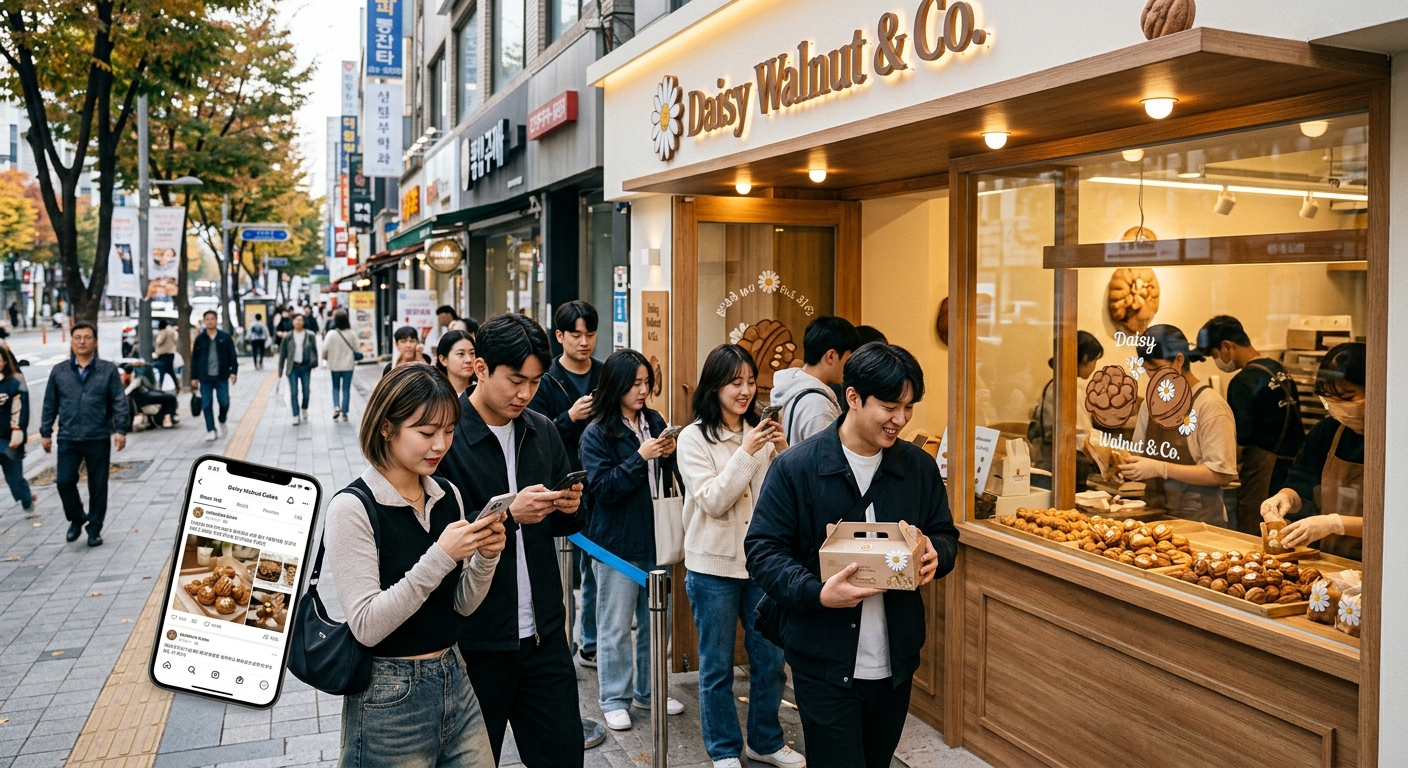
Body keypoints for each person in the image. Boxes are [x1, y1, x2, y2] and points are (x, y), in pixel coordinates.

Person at [745, 342, 958, 768]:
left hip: (895, 659)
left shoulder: (918, 468)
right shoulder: (797, 468)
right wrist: (817, 592)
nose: (900, 419)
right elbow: (763, 550)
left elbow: (943, 532)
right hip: (823, 658)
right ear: (854, 398)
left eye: (909, 407)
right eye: (889, 406)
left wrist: (939, 553)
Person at [326, 364, 506, 767]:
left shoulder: (448, 495)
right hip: (388, 695)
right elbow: (367, 624)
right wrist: (441, 556)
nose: (440, 445)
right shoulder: (352, 508)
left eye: (448, 431)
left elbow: (461, 605)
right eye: (426, 433)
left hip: (455, 677)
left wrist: (485, 557)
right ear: (387, 428)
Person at [434, 312, 586, 768]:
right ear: (479, 368)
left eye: (535, 382)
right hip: (476, 643)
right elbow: (439, 534)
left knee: (563, 756)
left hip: (544, 634)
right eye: (515, 380)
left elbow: (565, 527)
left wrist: (572, 506)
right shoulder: (446, 435)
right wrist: (511, 516)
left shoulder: (542, 430)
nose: (525, 393)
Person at [677, 345, 802, 768]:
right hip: (712, 567)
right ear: (714, 386)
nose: (746, 390)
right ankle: (724, 749)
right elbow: (713, 500)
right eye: (735, 382)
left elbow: (788, 497)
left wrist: (784, 452)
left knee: (770, 659)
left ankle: (764, 741)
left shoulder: (763, 432)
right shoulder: (693, 438)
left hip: (762, 567)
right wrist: (748, 451)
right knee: (716, 668)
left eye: (751, 380)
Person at [579, 349, 684, 731]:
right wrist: (640, 457)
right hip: (616, 542)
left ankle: (650, 690)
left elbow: (670, 478)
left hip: (658, 535)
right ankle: (614, 698)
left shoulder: (654, 420)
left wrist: (669, 455)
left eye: (646, 383)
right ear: (616, 386)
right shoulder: (598, 431)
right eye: (635, 384)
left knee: (657, 622)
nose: (643, 391)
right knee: (616, 624)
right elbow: (602, 489)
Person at [527, 300, 604, 668]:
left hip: (604, 479)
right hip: (566, 484)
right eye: (576, 334)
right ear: (560, 336)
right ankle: (584, 640)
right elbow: (537, 436)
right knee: (579, 567)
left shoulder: (605, 374)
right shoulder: (545, 379)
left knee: (598, 566)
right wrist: (569, 417)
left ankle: (590, 640)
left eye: (590, 334)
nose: (584, 342)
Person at [1118, 324, 1238, 526]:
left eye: (1157, 369)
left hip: (1200, 523)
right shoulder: (1152, 402)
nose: (1152, 378)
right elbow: (1139, 455)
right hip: (1153, 517)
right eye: (1147, 371)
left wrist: (1162, 468)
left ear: (1179, 360)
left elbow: (1221, 473)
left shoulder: (1209, 404)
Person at [1198, 315, 1305, 535]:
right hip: (1292, 468)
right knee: (1286, 530)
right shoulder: (1278, 368)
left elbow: (1239, 438)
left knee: (1257, 530)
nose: (1217, 362)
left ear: (1227, 346)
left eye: (1215, 355)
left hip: (1263, 471)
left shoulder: (1243, 382)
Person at [1261, 342, 1365, 559]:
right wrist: (1285, 497)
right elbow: (1303, 480)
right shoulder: (1327, 431)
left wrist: (1334, 523)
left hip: (1386, 566)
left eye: (1347, 398)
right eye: (1330, 398)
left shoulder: (1396, 440)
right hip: (1332, 558)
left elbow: (1400, 522)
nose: (1338, 406)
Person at [40, 322, 129, 547]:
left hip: (98, 436)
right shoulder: (59, 371)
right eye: (77, 337)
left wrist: (120, 429)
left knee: (98, 486)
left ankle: (94, 529)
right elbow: (50, 403)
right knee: (64, 481)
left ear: (95, 342)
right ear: (71, 341)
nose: (82, 341)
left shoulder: (108, 370)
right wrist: (46, 432)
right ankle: (77, 517)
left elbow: (119, 400)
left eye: (87, 337)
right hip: (68, 437)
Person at [771, 316, 858, 444]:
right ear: (831, 356)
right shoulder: (818, 405)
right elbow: (825, 459)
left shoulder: (789, 387)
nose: (851, 365)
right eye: (849, 358)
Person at [1032, 331, 1105, 481]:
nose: (1094, 367)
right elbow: (1082, 435)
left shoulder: (1052, 384)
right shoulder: (1075, 386)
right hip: (1068, 463)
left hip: (1047, 461)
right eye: (1094, 360)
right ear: (1085, 358)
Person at [190, 310, 239, 442]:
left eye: (212, 319)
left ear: (216, 320)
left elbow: (232, 356)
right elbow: (194, 359)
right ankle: (211, 429)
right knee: (206, 404)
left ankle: (222, 419)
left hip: (221, 376)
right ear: (204, 321)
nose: (210, 321)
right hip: (205, 377)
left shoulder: (225, 337)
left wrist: (233, 372)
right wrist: (193, 377)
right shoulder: (200, 339)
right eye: (207, 319)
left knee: (224, 402)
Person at [0, 348, 34, 514]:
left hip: (9, 437)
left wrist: (18, 433)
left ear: (5, 361)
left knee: (14, 477)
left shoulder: (15, 381)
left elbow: (21, 409)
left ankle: (27, 501)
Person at [280, 314, 318, 426]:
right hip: (293, 368)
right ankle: (295, 415)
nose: (298, 322)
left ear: (303, 322)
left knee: (306, 391)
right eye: (296, 320)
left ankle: (304, 408)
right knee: (294, 392)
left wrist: (314, 363)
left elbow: (314, 351)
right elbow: (283, 354)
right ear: (293, 322)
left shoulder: (310, 335)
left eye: (301, 320)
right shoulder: (288, 336)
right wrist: (280, 370)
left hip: (306, 367)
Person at [323, 309, 359, 422]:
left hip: (334, 365)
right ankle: (345, 412)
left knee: (335, 387)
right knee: (346, 388)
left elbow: (324, 350)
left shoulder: (331, 334)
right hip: (348, 366)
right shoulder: (352, 334)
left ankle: (336, 407)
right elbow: (357, 349)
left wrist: (325, 358)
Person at [123, 361, 178, 429]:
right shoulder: (136, 379)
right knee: (170, 398)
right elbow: (130, 389)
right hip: (143, 397)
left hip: (143, 395)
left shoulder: (136, 378)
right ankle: (167, 418)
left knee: (169, 397)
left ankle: (167, 418)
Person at [435, 330, 477, 396]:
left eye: (472, 353)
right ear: (443, 360)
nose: (469, 360)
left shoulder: (482, 393)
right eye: (461, 354)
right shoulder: (434, 394)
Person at [153, 319, 179, 389]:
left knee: (162, 370)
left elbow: (159, 341)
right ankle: (177, 385)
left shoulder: (164, 331)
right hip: (171, 353)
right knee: (170, 370)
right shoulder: (172, 331)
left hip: (163, 353)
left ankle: (160, 385)